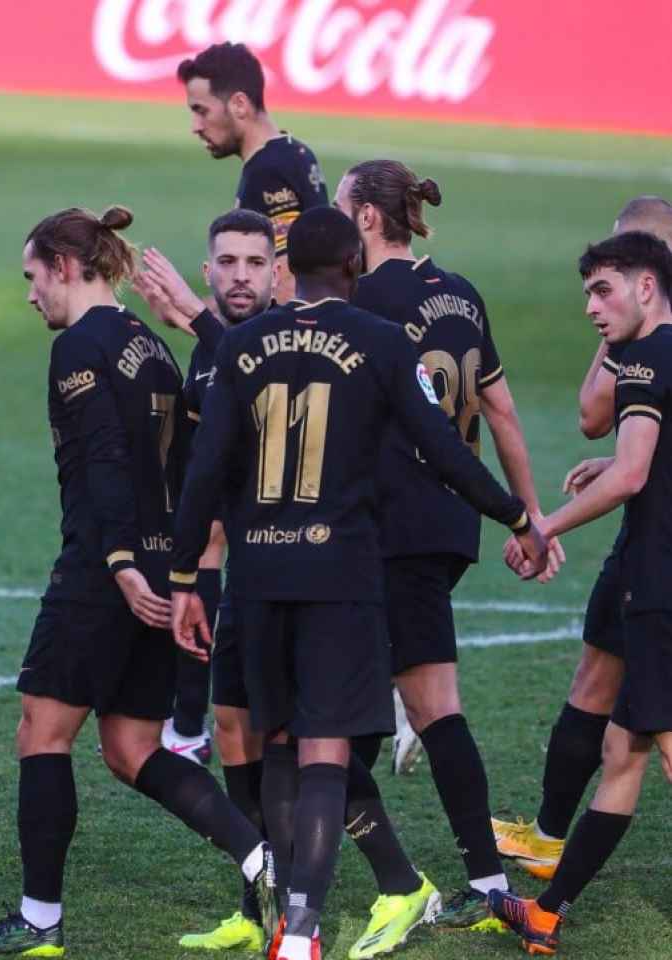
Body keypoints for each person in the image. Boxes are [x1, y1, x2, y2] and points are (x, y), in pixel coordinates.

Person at [168, 207, 547, 960]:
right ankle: (303, 932)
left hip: (260, 573)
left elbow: (204, 472)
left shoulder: (240, 346)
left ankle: (287, 922)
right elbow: (442, 447)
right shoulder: (379, 341)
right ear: (352, 266)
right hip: (340, 574)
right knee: (325, 752)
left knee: (275, 743)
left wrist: (184, 577)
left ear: (284, 269)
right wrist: (515, 515)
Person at [0, 205, 276, 957]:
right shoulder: (150, 346)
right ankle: (260, 854)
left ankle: (38, 921)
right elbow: (193, 466)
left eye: (33, 277)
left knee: (42, 731)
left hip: (108, 571)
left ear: (66, 266)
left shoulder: (81, 347)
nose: (31, 295)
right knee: (130, 747)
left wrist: (122, 564)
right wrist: (176, 566)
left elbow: (104, 461)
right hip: (166, 567)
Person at [138, 213, 438, 960]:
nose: (240, 275)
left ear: (279, 273)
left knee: (309, 746)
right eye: (225, 262)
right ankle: (262, 905)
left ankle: (377, 891)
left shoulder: (281, 345)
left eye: (253, 262)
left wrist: (196, 320)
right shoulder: (212, 357)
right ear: (208, 268)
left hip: (309, 575)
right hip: (241, 580)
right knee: (244, 736)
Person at [334, 159, 557, 931]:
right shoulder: (458, 292)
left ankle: (323, 869)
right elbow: (502, 414)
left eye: (340, 210)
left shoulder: (366, 298)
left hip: (386, 525)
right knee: (416, 703)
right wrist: (530, 518)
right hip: (450, 527)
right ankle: (487, 883)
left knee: (357, 710)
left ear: (366, 218)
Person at [489, 231, 672, 956]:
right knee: (622, 746)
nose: (592, 308)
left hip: (659, 585)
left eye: (603, 290)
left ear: (646, 288)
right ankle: (548, 911)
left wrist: (543, 527)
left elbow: (632, 476)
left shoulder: (644, 360)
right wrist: (624, 461)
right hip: (655, 576)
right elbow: (638, 464)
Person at [177, 42, 327, 305]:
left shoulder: (268, 171)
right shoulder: (293, 152)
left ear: (239, 104)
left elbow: (286, 286)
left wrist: (187, 312)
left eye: (201, 111)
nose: (195, 126)